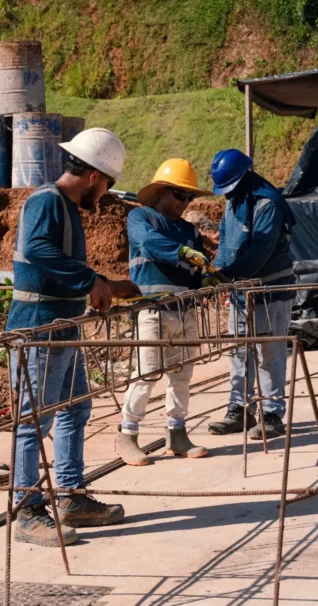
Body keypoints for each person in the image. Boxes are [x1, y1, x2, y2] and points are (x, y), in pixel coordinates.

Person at [6, 127, 140, 547]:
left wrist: (104, 283)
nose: (102, 198)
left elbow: (58, 259)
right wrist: (90, 280)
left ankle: (70, 497)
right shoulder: (48, 201)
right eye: (106, 187)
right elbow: (39, 250)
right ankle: (26, 510)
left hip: (62, 325)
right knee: (34, 422)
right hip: (39, 326)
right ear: (96, 177)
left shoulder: (63, 205)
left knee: (74, 409)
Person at [115, 159, 214, 466]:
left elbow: (196, 270)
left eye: (189, 198)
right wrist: (181, 251)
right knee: (147, 374)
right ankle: (127, 435)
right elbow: (148, 243)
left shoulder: (188, 230)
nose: (184, 203)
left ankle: (178, 434)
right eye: (177, 195)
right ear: (159, 192)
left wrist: (206, 279)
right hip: (153, 310)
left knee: (182, 376)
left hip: (184, 310)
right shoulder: (140, 217)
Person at [206, 148, 297, 441]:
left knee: (269, 354)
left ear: (245, 177)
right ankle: (239, 410)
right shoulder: (233, 203)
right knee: (238, 352)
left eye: (230, 187)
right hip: (241, 292)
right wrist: (219, 268)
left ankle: (272, 414)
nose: (227, 194)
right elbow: (224, 240)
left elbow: (260, 250)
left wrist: (226, 276)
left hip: (270, 291)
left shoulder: (267, 204)